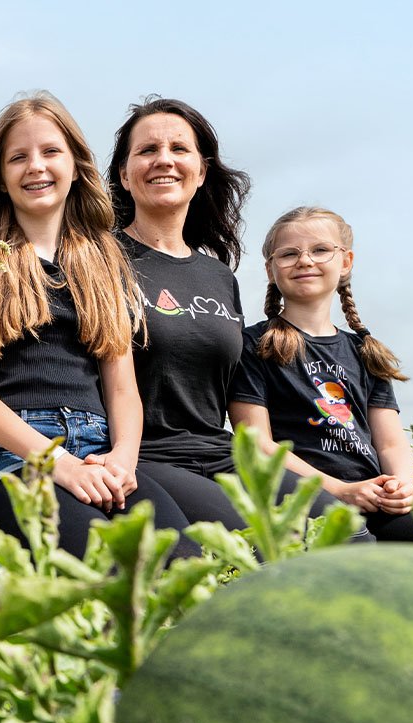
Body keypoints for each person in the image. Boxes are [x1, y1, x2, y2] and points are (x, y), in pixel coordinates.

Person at [0, 92, 197, 561]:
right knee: (99, 563)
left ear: (76, 165)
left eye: (50, 152)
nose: (35, 166)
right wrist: (59, 463)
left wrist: (123, 458)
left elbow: (122, 388)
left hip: (99, 449)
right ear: (0, 178)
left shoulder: (103, 262)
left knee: (183, 560)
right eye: (18, 157)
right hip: (15, 453)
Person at [102, 97, 367, 535]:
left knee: (349, 534)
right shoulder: (98, 258)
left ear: (201, 172)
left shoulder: (218, 276)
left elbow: (244, 400)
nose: (163, 160)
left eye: (179, 149)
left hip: (222, 454)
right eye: (147, 150)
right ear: (125, 176)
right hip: (146, 457)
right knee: (258, 547)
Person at [229, 206, 413, 543]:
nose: (305, 260)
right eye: (289, 254)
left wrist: (402, 484)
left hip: (377, 496)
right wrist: (341, 489)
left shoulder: (364, 352)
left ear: (345, 261)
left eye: (320, 250)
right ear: (271, 270)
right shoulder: (254, 345)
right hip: (314, 498)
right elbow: (258, 443)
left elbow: (391, 442)